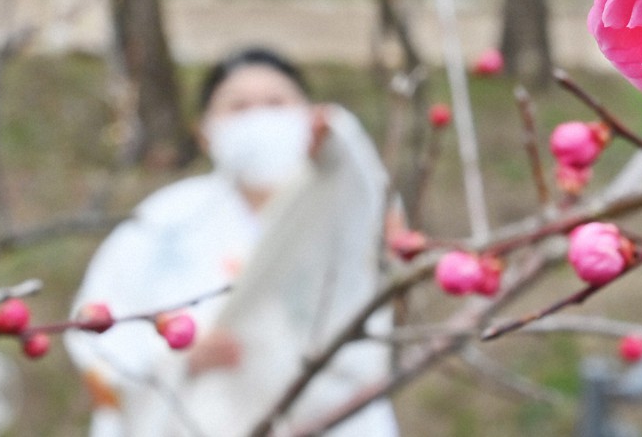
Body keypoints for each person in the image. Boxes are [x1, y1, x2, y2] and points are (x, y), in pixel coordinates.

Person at [65, 48, 399, 437]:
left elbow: (373, 265)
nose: (259, 118)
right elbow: (99, 330)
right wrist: (174, 361)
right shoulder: (165, 223)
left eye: (276, 103)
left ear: (308, 114)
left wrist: (341, 147)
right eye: (238, 107)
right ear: (204, 131)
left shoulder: (338, 210)